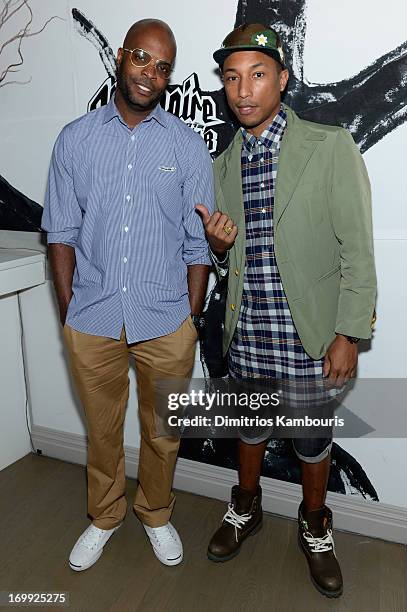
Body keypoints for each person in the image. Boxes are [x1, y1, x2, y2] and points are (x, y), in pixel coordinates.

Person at [196, 23, 376, 598]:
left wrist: (349, 331)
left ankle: (315, 524)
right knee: (248, 432)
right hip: (249, 330)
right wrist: (220, 251)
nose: (243, 89)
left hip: (309, 335)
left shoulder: (330, 147)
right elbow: (230, 261)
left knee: (310, 441)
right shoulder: (222, 165)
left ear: (283, 79)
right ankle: (244, 507)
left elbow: (357, 249)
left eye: (257, 74)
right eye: (231, 77)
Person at [42, 18, 213, 571]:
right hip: (92, 317)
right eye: (142, 58)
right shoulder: (75, 139)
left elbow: (197, 243)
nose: (150, 73)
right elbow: (62, 232)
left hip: (166, 319)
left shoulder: (187, 147)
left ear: (168, 76)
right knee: (102, 432)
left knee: (164, 434)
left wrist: (188, 315)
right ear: (121, 56)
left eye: (162, 66)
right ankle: (105, 515)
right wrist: (70, 311)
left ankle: (156, 512)